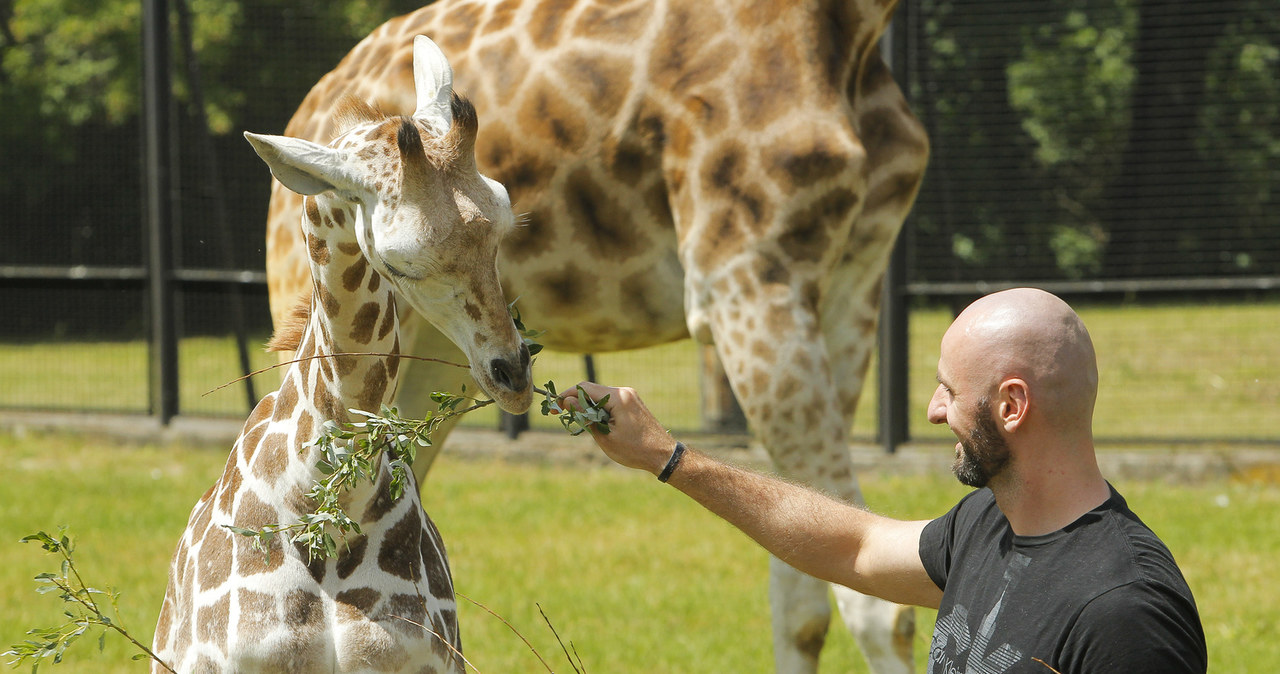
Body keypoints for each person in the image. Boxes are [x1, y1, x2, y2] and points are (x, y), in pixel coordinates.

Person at [560, 288, 1207, 673]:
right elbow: (854, 547)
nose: (932, 410)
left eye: (949, 391)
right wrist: (668, 458)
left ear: (1012, 407)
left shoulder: (1126, 612)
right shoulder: (988, 527)